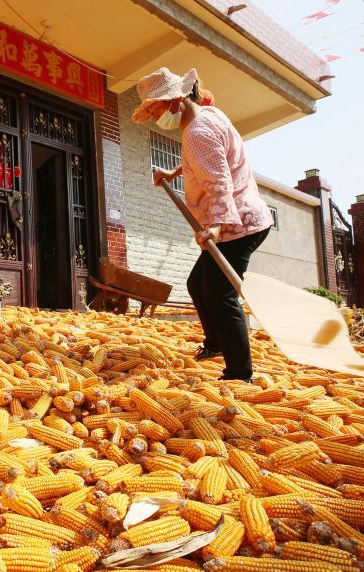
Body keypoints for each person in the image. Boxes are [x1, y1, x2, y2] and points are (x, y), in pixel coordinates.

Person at [132, 67, 273, 382]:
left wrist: (218, 225)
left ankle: (239, 374)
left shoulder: (197, 133)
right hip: (245, 217)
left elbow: (219, 181)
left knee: (221, 294)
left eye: (156, 109)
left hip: (238, 225)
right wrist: (174, 173)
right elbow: (207, 160)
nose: (156, 117)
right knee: (198, 284)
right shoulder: (208, 116)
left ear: (176, 101)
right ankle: (216, 344)